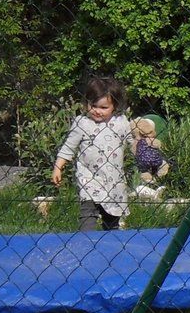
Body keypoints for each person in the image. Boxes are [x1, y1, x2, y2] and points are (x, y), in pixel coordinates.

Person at [52, 75, 133, 232]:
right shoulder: (82, 123)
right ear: (86, 103)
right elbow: (69, 147)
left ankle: (111, 247)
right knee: (87, 214)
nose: (97, 111)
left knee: (112, 220)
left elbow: (132, 142)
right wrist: (58, 167)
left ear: (114, 107)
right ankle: (86, 243)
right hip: (89, 179)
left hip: (113, 182)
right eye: (93, 105)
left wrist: (144, 149)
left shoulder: (121, 122)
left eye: (104, 108)